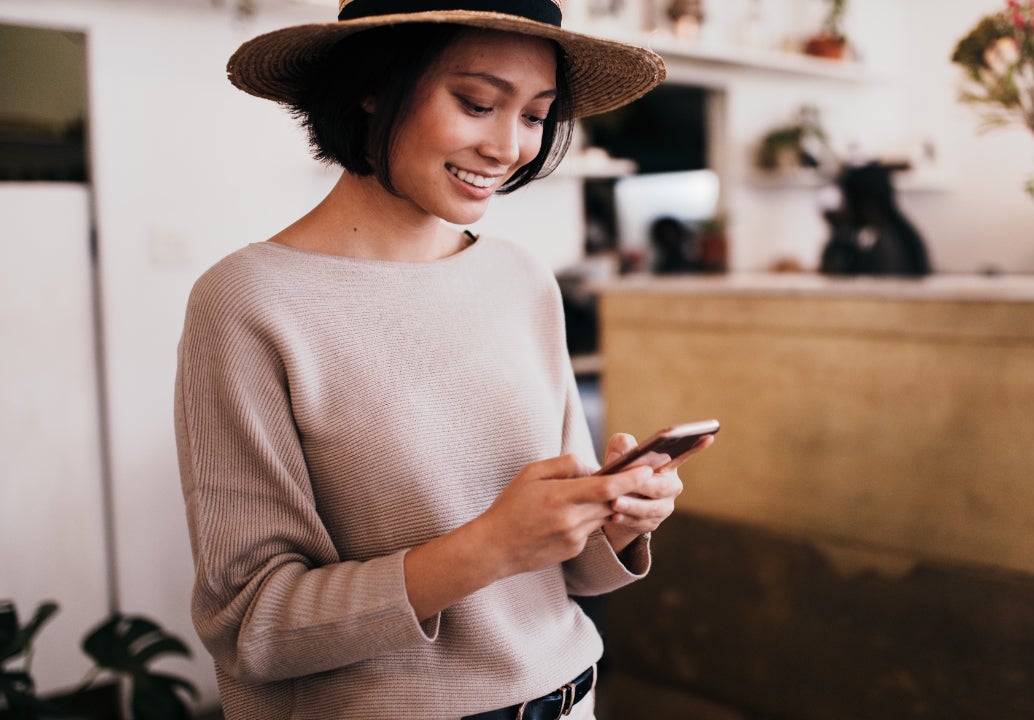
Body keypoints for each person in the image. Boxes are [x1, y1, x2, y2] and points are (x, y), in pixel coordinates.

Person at [172, 2, 710, 718]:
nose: (509, 146)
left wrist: (614, 517)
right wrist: (488, 546)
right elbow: (250, 625)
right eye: (477, 102)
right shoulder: (249, 302)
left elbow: (560, 570)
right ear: (372, 88)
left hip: (572, 695)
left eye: (534, 115)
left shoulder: (521, 279)